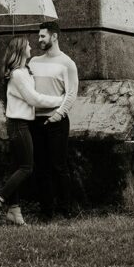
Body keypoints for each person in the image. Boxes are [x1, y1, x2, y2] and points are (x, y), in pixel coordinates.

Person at [0, 33, 64, 226]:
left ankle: (14, 210)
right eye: (27, 46)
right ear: (20, 50)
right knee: (27, 168)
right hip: (18, 125)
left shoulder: (24, 72)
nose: (31, 48)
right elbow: (33, 99)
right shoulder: (18, 74)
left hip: (22, 124)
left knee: (17, 167)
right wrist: (60, 100)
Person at [30, 21, 79, 219]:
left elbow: (71, 93)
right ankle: (46, 211)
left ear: (54, 36)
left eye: (43, 36)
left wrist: (57, 115)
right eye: (39, 36)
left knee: (58, 166)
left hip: (57, 122)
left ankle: (66, 209)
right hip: (35, 121)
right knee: (40, 167)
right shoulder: (33, 62)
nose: (39, 39)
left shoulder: (67, 63)